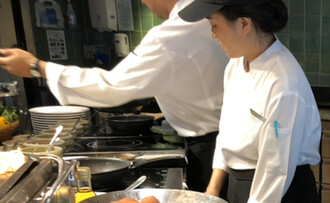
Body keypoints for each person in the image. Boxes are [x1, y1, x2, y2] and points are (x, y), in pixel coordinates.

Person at [0, 0, 228, 192]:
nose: (143, 2)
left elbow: (111, 87)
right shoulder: (208, 16)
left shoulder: (172, 33)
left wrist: (37, 67)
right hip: (221, 144)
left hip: (211, 151)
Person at [179, 0, 322, 203]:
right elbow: (227, 130)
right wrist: (213, 190)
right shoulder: (236, 64)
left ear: (244, 24)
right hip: (240, 185)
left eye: (215, 25)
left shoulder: (283, 83)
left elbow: (275, 166)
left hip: (281, 195)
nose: (212, 34)